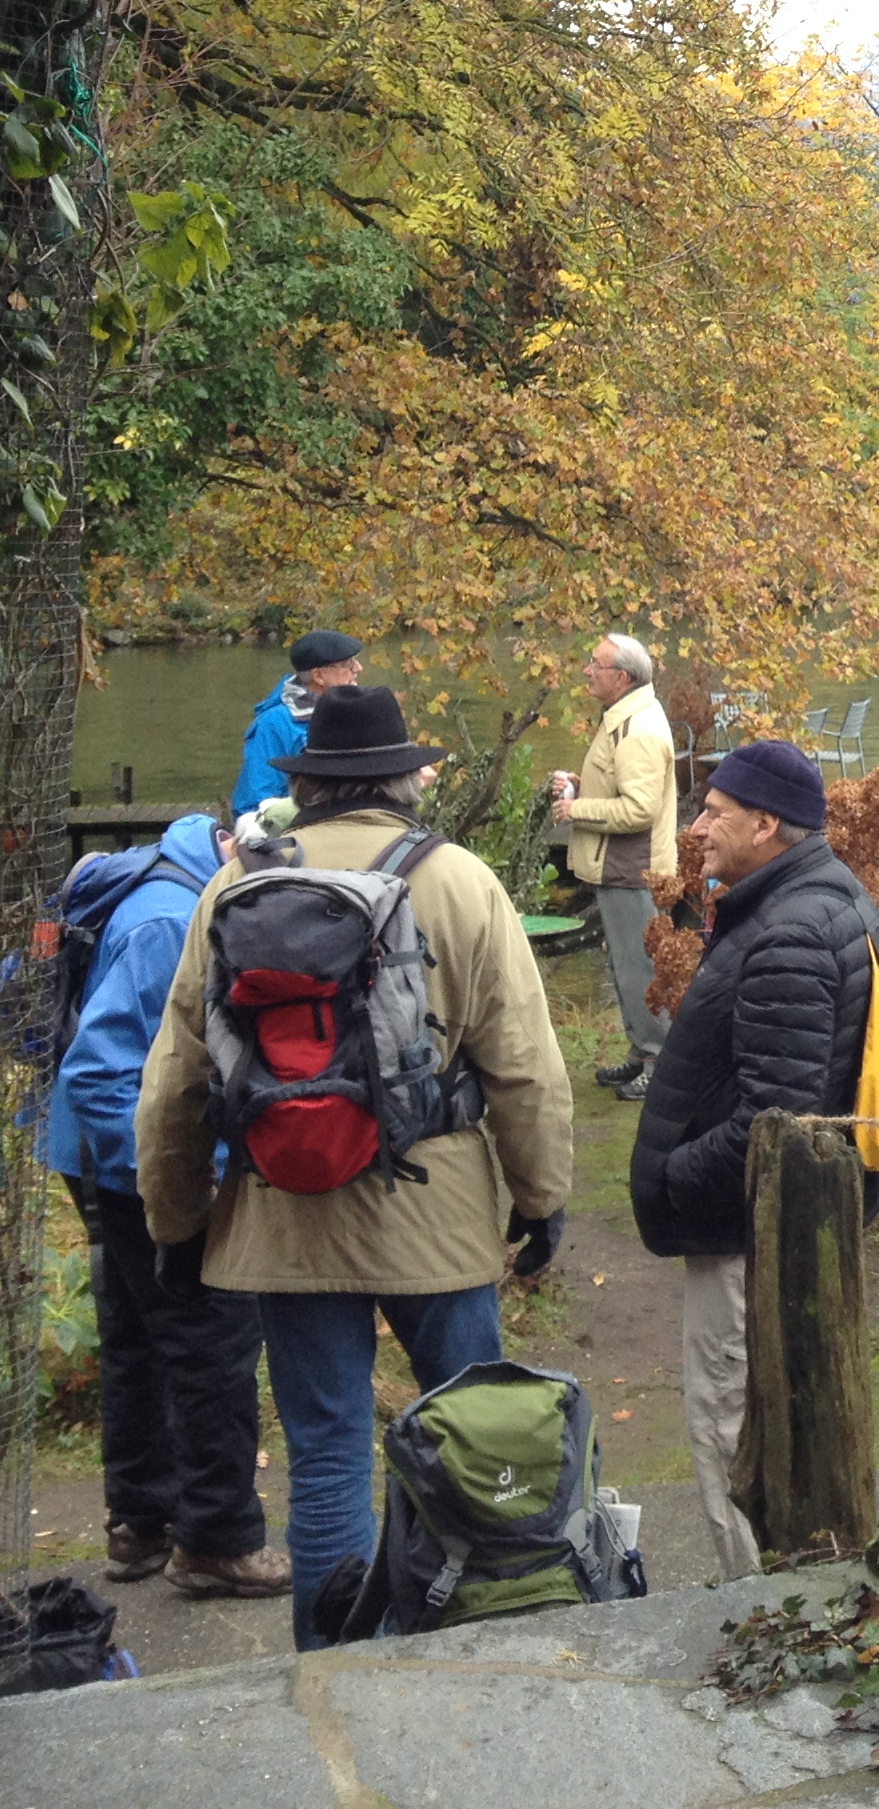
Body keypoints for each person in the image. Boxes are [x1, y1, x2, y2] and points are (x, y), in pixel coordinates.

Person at [137, 685, 574, 1649]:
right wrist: (542, 1199)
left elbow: (173, 1084)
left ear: (308, 783)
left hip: (286, 1215)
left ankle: (331, 1669)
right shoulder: (460, 881)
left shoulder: (231, 886)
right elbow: (526, 1069)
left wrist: (176, 1221)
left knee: (326, 1457)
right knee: (477, 1440)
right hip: (436, 1214)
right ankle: (475, 1644)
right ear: (404, 781)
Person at [628, 739, 878, 1582]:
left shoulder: (790, 931)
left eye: (714, 812)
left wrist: (672, 1176)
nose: (697, 827)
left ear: (766, 824)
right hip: (765, 1232)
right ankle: (785, 1598)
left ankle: (755, 1611)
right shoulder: (801, 902)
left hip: (749, 1239)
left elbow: (776, 1126)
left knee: (732, 1428)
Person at [46, 813, 287, 1599]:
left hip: (93, 1148)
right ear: (237, 851)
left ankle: (139, 1522)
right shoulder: (166, 921)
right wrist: (183, 1179)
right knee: (212, 1332)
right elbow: (97, 1071)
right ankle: (218, 1539)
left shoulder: (179, 879)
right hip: (121, 1152)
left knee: (136, 1335)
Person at [552, 633, 678, 1103]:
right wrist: (582, 786)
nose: (587, 671)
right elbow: (623, 788)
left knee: (640, 969)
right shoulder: (625, 716)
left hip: (632, 870)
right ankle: (641, 1053)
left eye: (595, 664)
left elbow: (640, 810)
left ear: (621, 677)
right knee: (626, 966)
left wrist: (576, 810)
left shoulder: (637, 729)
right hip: (622, 868)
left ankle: (658, 1063)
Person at [231, 630, 363, 819]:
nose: (358, 668)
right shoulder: (274, 723)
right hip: (300, 829)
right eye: (348, 664)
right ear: (318, 676)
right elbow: (253, 806)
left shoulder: (357, 711)